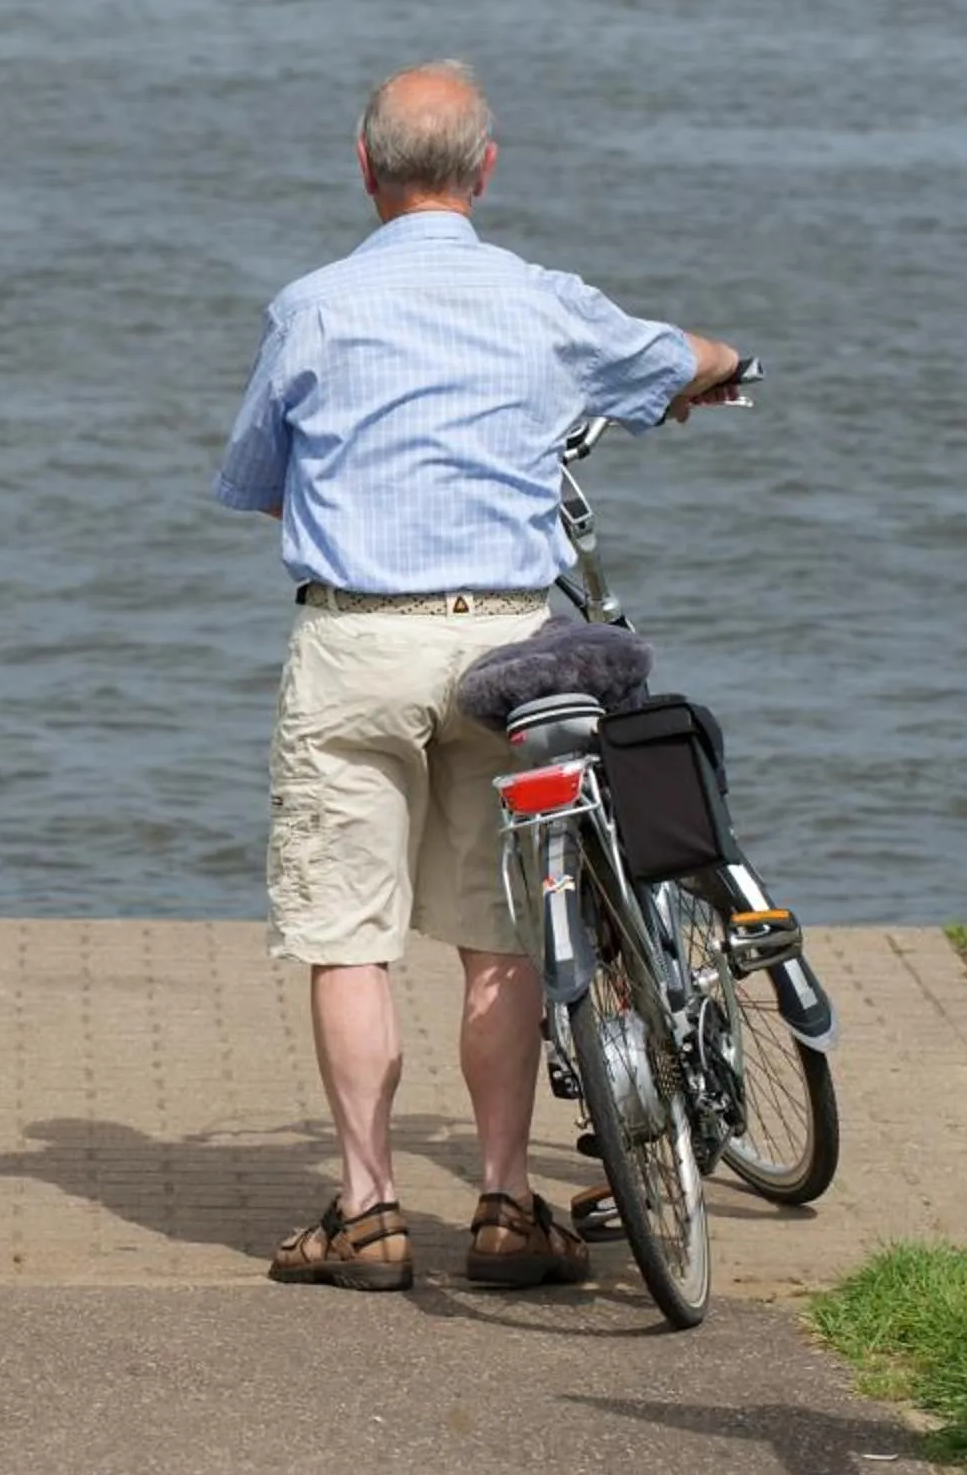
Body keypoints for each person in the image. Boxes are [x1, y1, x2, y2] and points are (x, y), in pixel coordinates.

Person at [211, 62, 742, 1294]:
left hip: (354, 639)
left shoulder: (311, 305)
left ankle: (369, 1210)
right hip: (509, 648)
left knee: (349, 936)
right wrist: (722, 364)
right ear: (486, 168)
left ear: (364, 165)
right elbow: (679, 358)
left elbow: (258, 479)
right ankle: (504, 1202)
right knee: (499, 939)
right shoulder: (541, 301)